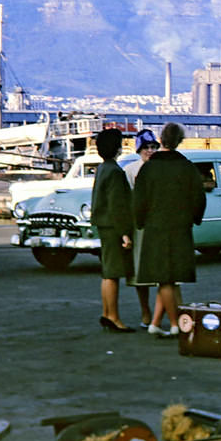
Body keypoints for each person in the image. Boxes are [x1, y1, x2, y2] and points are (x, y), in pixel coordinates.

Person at [133, 122, 206, 337]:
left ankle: (164, 324)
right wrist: (193, 218)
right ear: (179, 141)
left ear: (161, 139)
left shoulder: (149, 168)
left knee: (164, 277)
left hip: (156, 227)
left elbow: (139, 200)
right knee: (171, 278)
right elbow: (199, 199)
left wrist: (140, 221)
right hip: (180, 227)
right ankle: (173, 324)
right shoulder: (187, 167)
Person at [92, 128, 135, 333]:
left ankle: (107, 313)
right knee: (113, 273)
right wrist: (125, 233)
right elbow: (117, 205)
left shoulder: (102, 168)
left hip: (103, 225)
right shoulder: (116, 171)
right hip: (113, 227)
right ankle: (114, 317)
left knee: (107, 273)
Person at [123, 129, 161, 330]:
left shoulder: (162, 168)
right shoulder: (130, 170)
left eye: (153, 147)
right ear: (139, 149)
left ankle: (158, 313)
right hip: (139, 226)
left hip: (159, 225)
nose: (150, 150)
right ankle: (145, 310)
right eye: (146, 147)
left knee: (162, 272)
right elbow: (126, 200)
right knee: (140, 272)